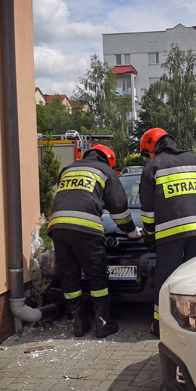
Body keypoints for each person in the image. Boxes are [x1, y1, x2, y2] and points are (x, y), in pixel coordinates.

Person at [48, 145, 141, 338]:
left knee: (70, 277)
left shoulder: (68, 169)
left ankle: (79, 324)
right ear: (108, 160)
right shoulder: (105, 171)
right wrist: (131, 231)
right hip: (86, 229)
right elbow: (119, 210)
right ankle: (103, 324)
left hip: (58, 227)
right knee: (96, 276)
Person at [139, 128, 196, 336]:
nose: (149, 157)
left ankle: (160, 325)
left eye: (148, 152)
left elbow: (147, 212)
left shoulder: (152, 167)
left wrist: (149, 236)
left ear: (152, 146)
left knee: (166, 283)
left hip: (168, 236)